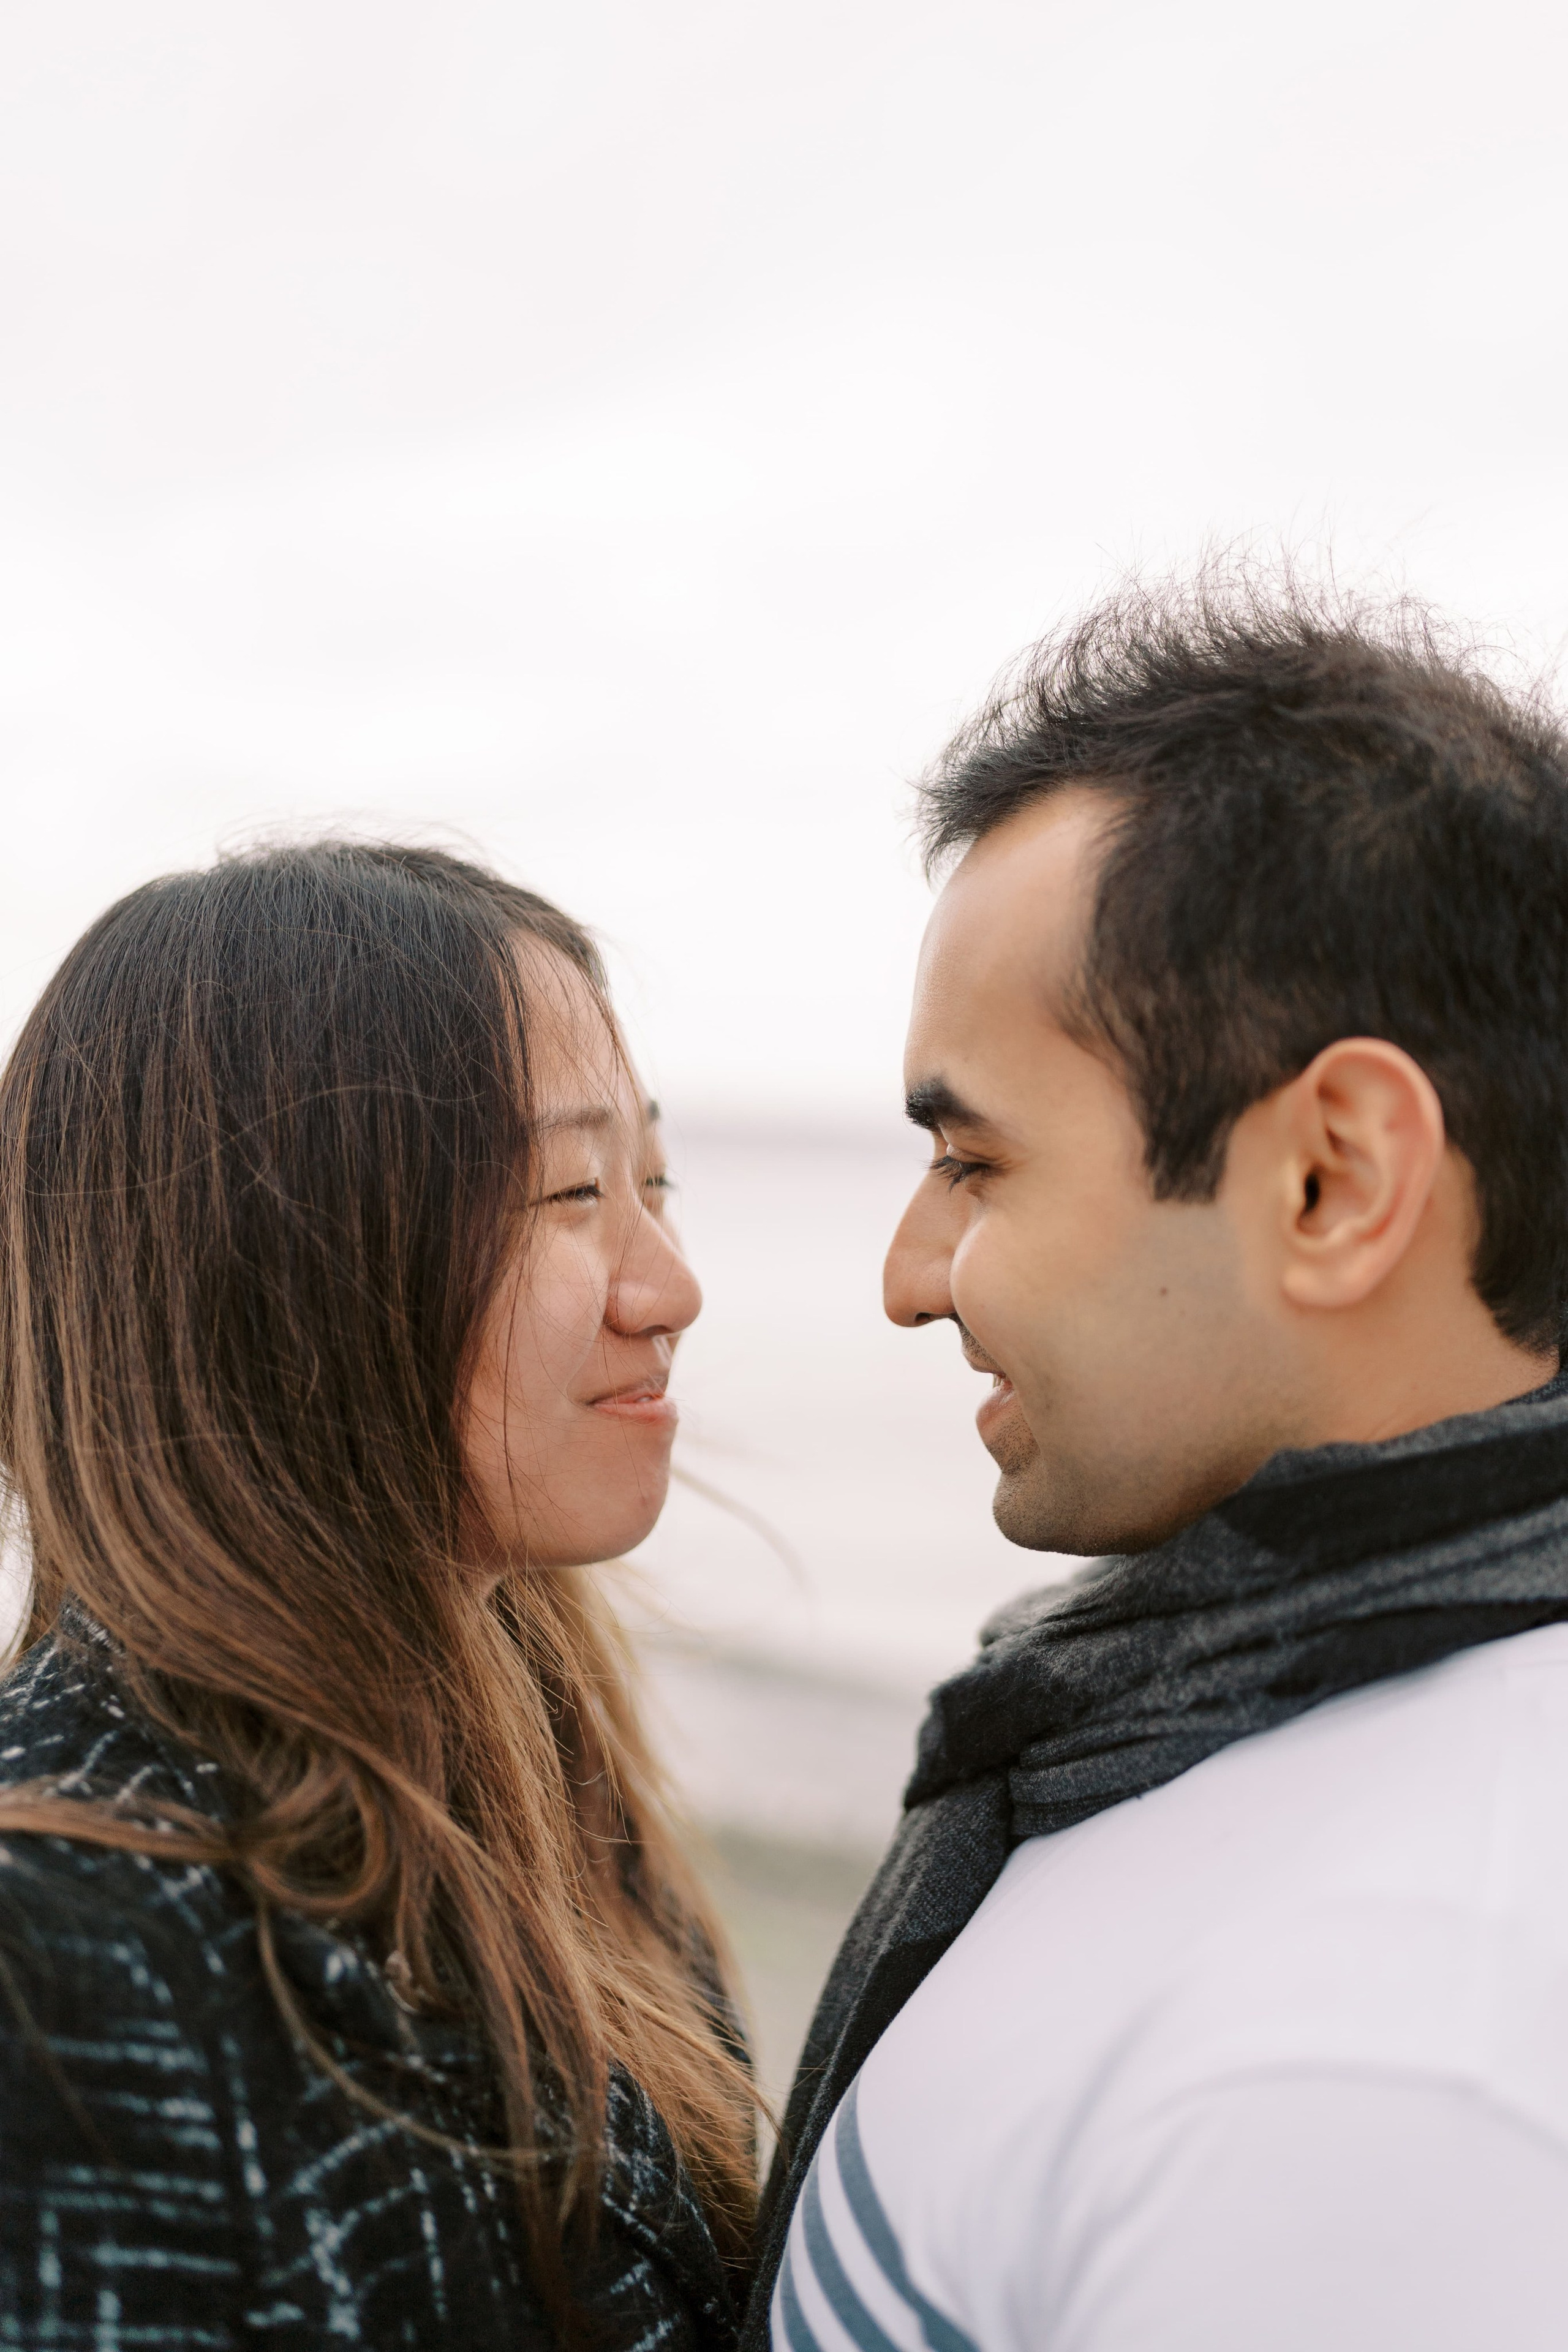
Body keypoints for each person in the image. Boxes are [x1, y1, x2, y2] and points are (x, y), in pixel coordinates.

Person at [754, 581, 1568, 2350]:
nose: (907, 1279)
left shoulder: (1380, 2070)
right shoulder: (1212, 1731)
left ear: (1332, 1181)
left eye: (976, 1164)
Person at [0, 842, 756, 2347]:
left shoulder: (548, 1774)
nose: (666, 1285)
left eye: (652, 1181)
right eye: (568, 1192)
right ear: (280, 1261)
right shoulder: (57, 1952)